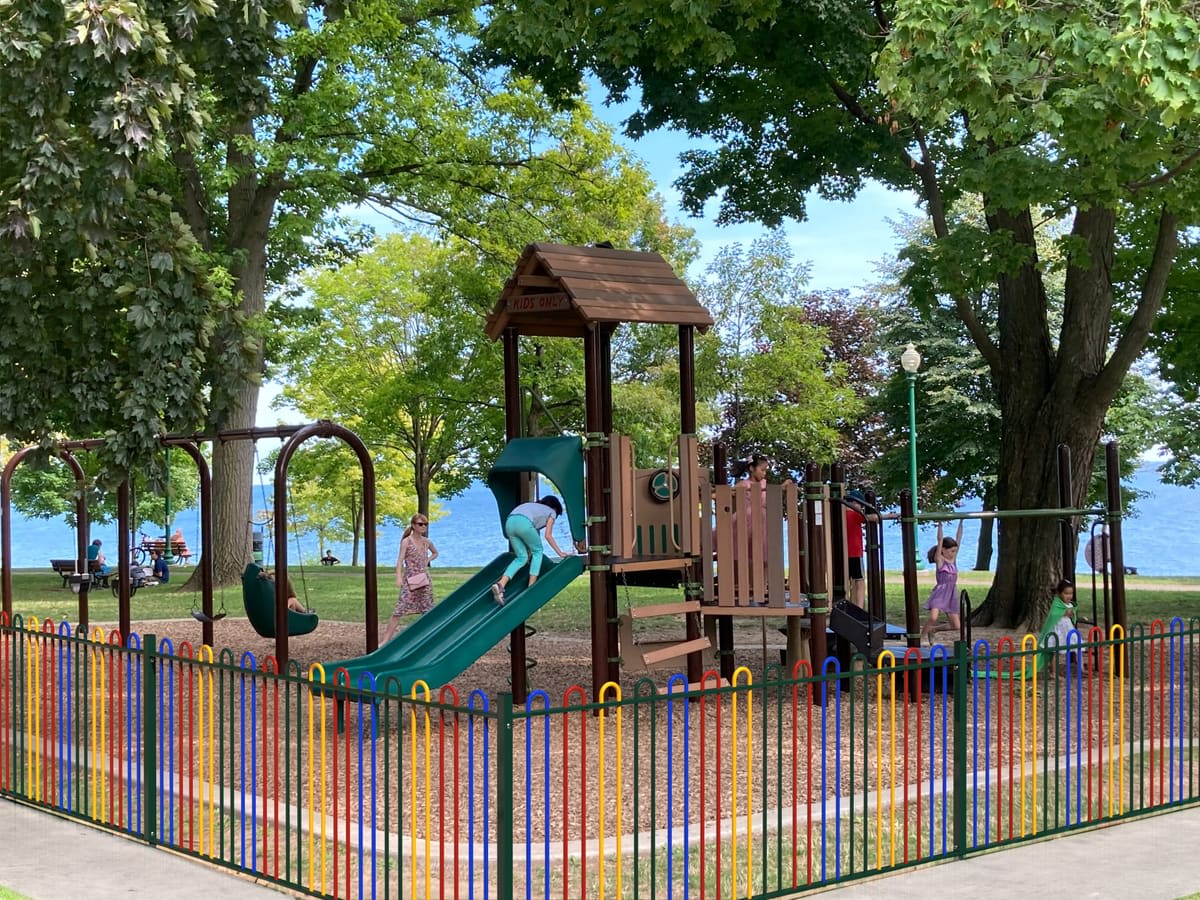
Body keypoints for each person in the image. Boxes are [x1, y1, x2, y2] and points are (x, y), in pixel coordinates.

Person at [490, 496, 571, 606]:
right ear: (555, 507)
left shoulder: (533, 507)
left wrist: (528, 550)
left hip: (509, 523)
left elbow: (532, 533)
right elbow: (548, 535)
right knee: (538, 551)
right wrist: (560, 553)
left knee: (521, 558)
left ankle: (500, 584)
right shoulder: (552, 512)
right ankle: (531, 586)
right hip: (525, 524)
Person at [384, 514, 439, 642]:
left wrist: (428, 560)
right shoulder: (406, 542)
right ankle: (385, 640)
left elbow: (436, 553)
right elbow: (399, 561)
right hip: (410, 579)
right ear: (413, 525)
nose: (423, 527)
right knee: (399, 609)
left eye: (425, 524)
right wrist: (398, 577)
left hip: (424, 579)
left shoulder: (427, 542)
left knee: (427, 609)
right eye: (420, 524)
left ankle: (430, 638)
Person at [919, 519, 965, 645]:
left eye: (955, 551)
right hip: (941, 592)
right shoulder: (940, 560)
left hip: (951, 593)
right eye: (951, 551)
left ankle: (933, 631)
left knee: (956, 625)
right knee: (933, 617)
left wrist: (961, 522)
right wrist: (939, 524)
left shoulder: (953, 560)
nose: (953, 554)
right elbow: (940, 540)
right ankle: (921, 638)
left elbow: (959, 538)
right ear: (943, 550)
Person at [1040, 579, 1081, 672]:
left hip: (1068, 628)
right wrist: (1064, 612)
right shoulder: (1057, 603)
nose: (1069, 596)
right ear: (1059, 593)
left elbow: (1071, 613)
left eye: (1071, 593)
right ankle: (1053, 672)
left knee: (1077, 645)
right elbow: (1054, 614)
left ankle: (1081, 668)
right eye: (1066, 593)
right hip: (1057, 629)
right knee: (1056, 651)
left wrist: (1072, 613)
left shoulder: (1070, 604)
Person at [843, 489, 873, 609]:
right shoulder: (855, 515)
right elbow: (872, 518)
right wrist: (892, 515)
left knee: (847, 582)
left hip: (843, 554)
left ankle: (846, 606)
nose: (861, 508)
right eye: (861, 505)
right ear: (855, 503)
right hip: (855, 553)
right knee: (860, 581)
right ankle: (859, 607)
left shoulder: (841, 516)